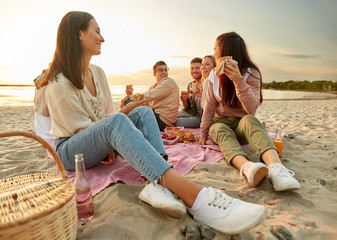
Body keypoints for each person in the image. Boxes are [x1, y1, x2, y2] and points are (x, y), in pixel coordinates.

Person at [40, 12, 267, 235]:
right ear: (79, 35)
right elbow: (80, 128)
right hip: (71, 150)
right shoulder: (58, 81)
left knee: (144, 113)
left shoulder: (98, 73)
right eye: (97, 31)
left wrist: (107, 139)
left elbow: (108, 113)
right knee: (117, 122)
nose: (102, 38)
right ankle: (196, 197)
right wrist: (107, 142)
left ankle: (155, 183)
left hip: (99, 140)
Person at [199, 32, 300, 191]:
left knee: (251, 120)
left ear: (226, 51)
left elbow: (251, 109)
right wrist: (203, 133)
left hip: (242, 124)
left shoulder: (251, 73)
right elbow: (210, 106)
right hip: (221, 123)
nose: (213, 53)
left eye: (215, 49)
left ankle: (277, 170)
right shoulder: (214, 76)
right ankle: (247, 167)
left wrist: (238, 80)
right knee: (217, 128)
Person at [120, 61, 179, 131]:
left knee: (128, 104)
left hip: (163, 120)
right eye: (161, 70)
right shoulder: (153, 87)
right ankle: (121, 120)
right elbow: (145, 103)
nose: (164, 72)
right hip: (155, 115)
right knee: (128, 103)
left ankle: (120, 120)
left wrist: (131, 98)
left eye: (166, 70)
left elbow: (150, 95)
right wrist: (132, 98)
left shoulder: (169, 82)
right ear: (154, 73)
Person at [174, 58, 203, 128]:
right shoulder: (191, 85)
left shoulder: (207, 83)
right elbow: (187, 107)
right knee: (170, 117)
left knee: (175, 122)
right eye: (192, 68)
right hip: (193, 113)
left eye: (197, 68)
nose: (194, 71)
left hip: (202, 118)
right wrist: (183, 101)